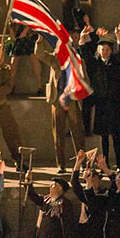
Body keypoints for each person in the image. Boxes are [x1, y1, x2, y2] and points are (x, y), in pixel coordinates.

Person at [35, 35, 86, 174]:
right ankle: (61, 165)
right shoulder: (54, 58)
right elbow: (39, 54)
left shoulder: (77, 60)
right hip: (57, 100)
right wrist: (39, 42)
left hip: (72, 100)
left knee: (77, 132)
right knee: (58, 133)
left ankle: (82, 163)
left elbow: (85, 79)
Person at [80, 24, 120, 168]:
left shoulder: (115, 63)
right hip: (101, 103)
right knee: (104, 136)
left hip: (113, 103)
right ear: (99, 51)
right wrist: (82, 39)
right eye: (102, 50)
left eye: (108, 49)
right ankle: (105, 163)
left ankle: (119, 164)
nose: (105, 52)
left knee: (116, 135)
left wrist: (119, 38)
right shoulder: (95, 64)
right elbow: (85, 56)